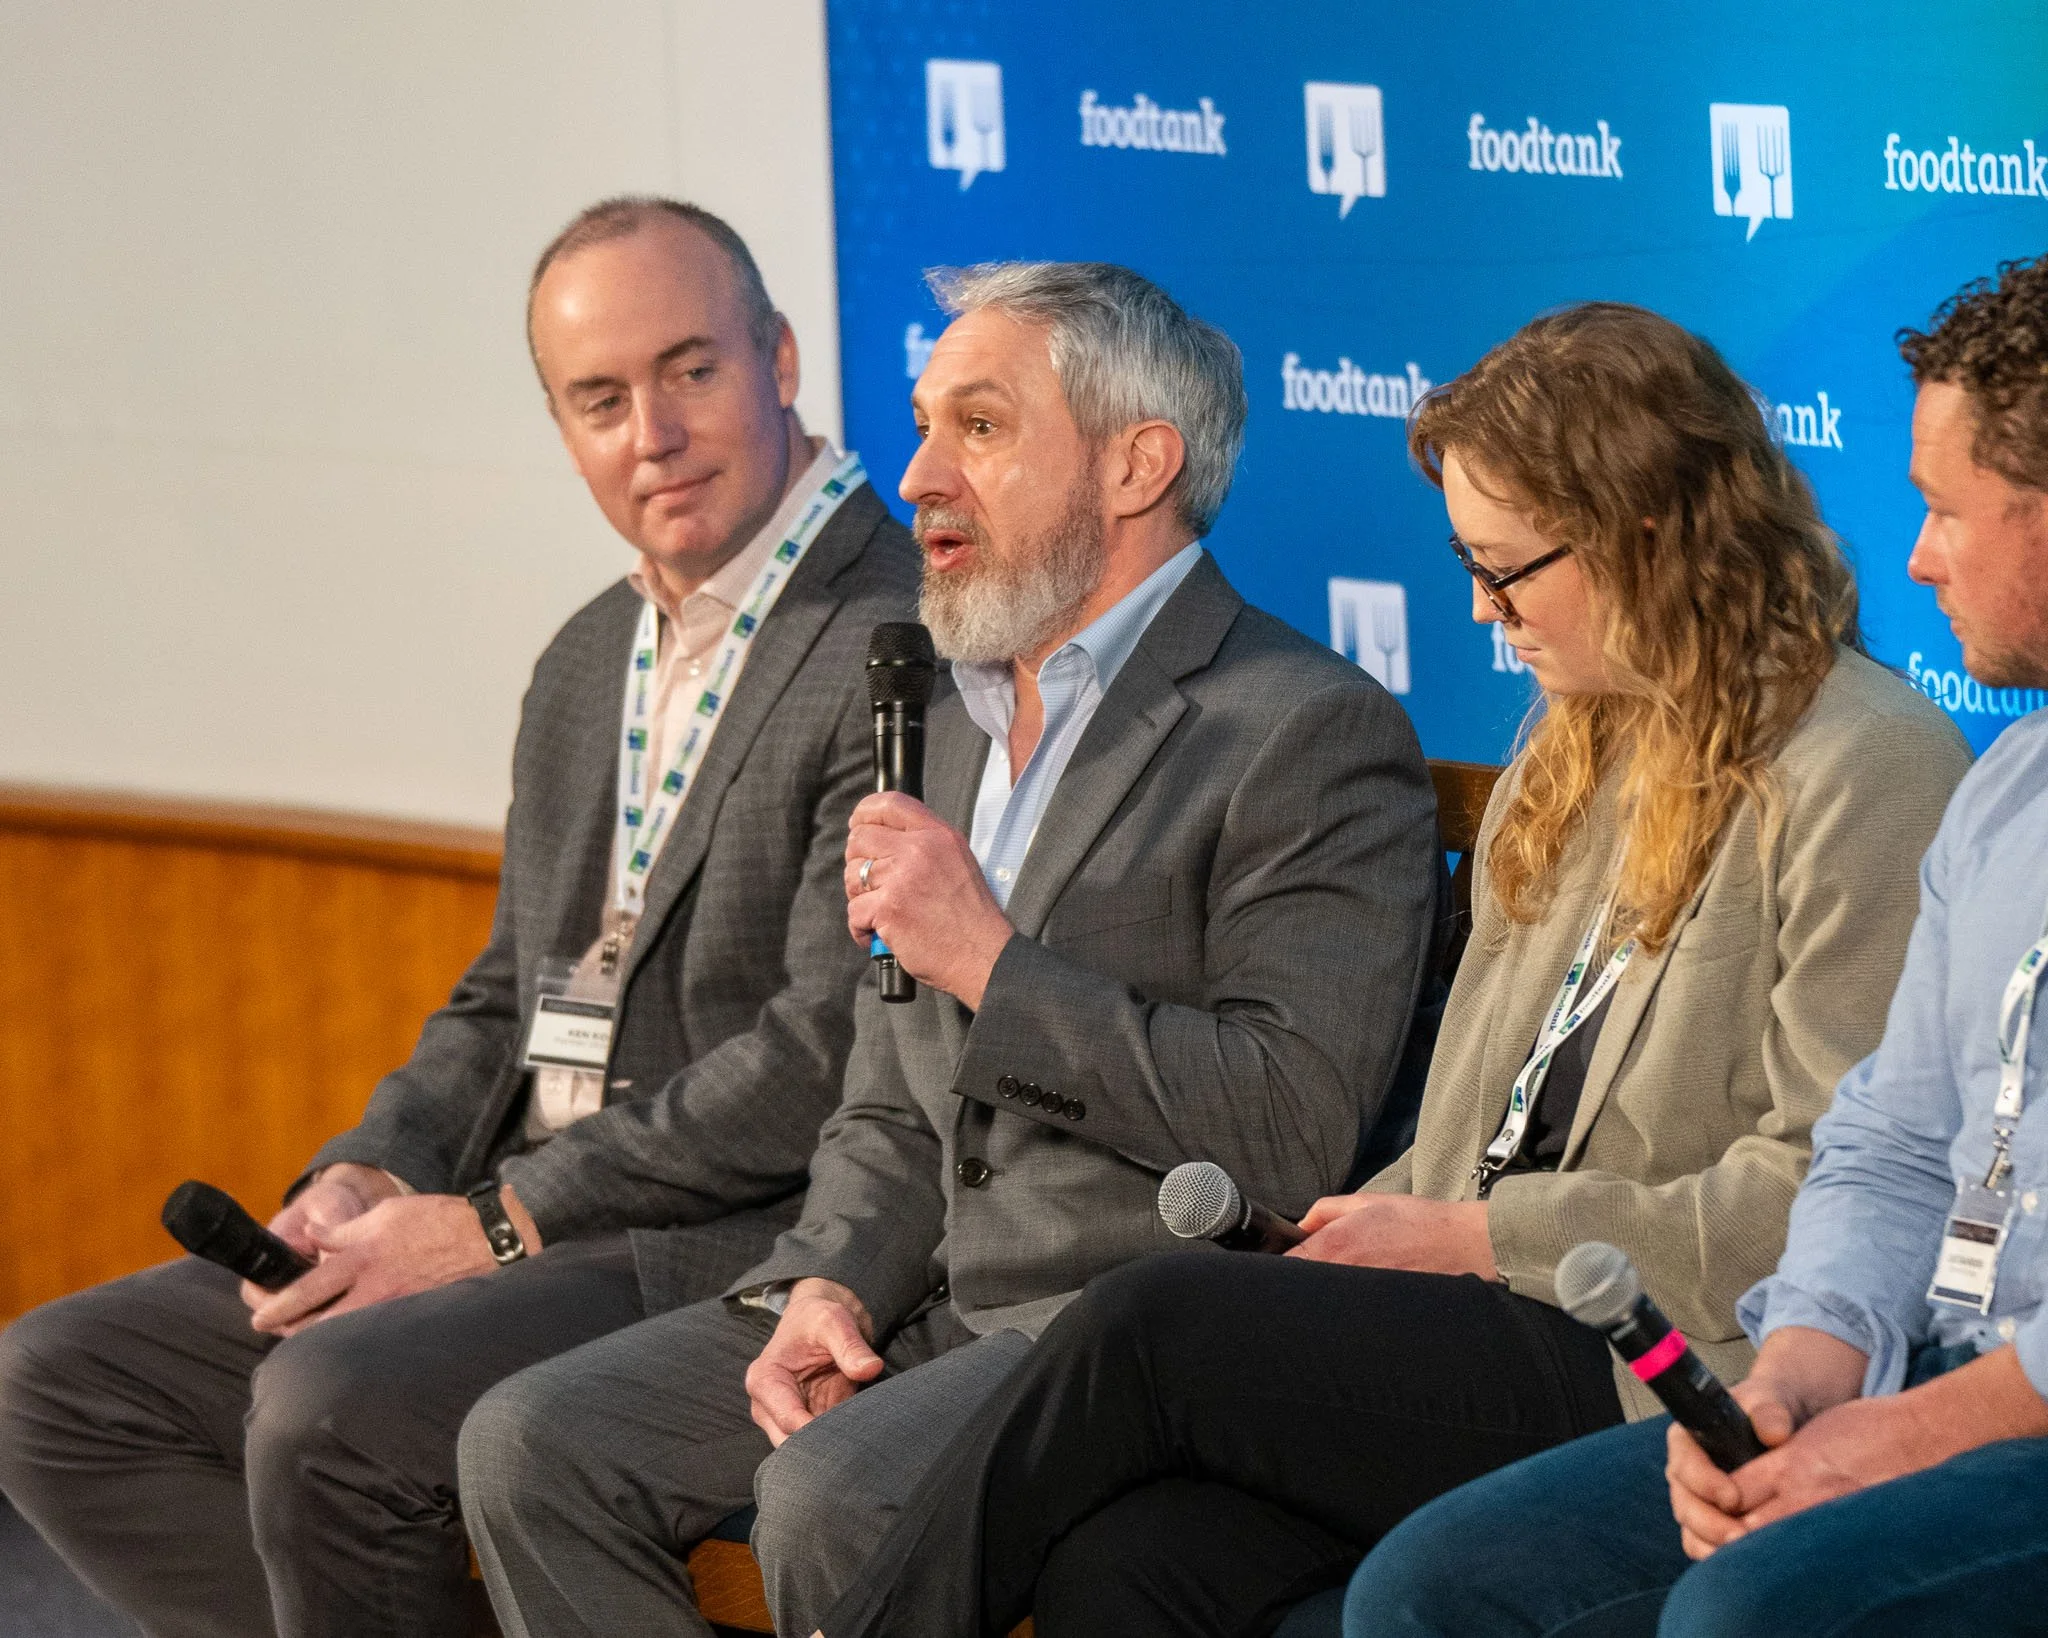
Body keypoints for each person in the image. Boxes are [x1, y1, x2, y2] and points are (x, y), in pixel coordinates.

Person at [810, 300, 1978, 1638]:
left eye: (1509, 568)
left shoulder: (1867, 762)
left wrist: (1469, 1236)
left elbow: (1823, 1187)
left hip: (1642, 1350)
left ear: (1648, 536)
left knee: (1150, 1327)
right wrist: (1354, 1235)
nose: (1482, 610)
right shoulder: (1576, 743)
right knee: (1128, 1564)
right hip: (1469, 1306)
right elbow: (1470, 1131)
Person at [452, 259, 1444, 1638]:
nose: (915, 474)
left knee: (827, 1497)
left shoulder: (1304, 731)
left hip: (1122, 1324)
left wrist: (993, 959)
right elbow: (885, 1082)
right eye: (923, 424)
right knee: (531, 1444)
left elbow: (1283, 1127)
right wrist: (830, 1281)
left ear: (1135, 463)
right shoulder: (943, 703)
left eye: (977, 427)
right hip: (915, 1294)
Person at [0, 196, 919, 1638]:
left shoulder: (894, 635)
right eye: (600, 399)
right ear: (562, 428)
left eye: (690, 370)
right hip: (504, 1204)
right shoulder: (586, 659)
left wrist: (493, 1224)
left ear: (783, 357)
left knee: (324, 1410)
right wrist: (372, 1173)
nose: (652, 434)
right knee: (62, 1379)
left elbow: (823, 1053)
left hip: (722, 1237)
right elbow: (508, 990)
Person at [1342, 257, 2048, 1638]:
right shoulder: (2007, 787)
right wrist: (1796, 1374)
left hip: (2010, 1409)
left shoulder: (1883, 757)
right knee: (1430, 1589)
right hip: (1925, 1370)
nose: (1915, 556)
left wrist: (1905, 1433)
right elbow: (1888, 1143)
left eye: (1948, 509)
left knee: (1740, 1617)